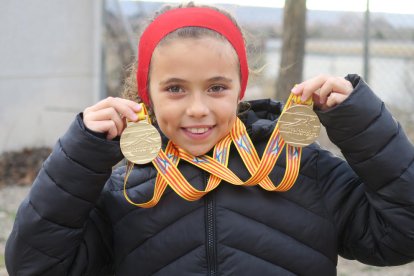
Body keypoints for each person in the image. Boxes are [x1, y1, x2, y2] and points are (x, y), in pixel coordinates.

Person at [5, 3, 414, 276]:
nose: (197, 108)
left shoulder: (303, 169)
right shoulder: (124, 187)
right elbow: (35, 265)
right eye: (176, 89)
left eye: (216, 88)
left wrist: (361, 123)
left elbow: (401, 236)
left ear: (241, 88)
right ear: (147, 95)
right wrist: (81, 154)